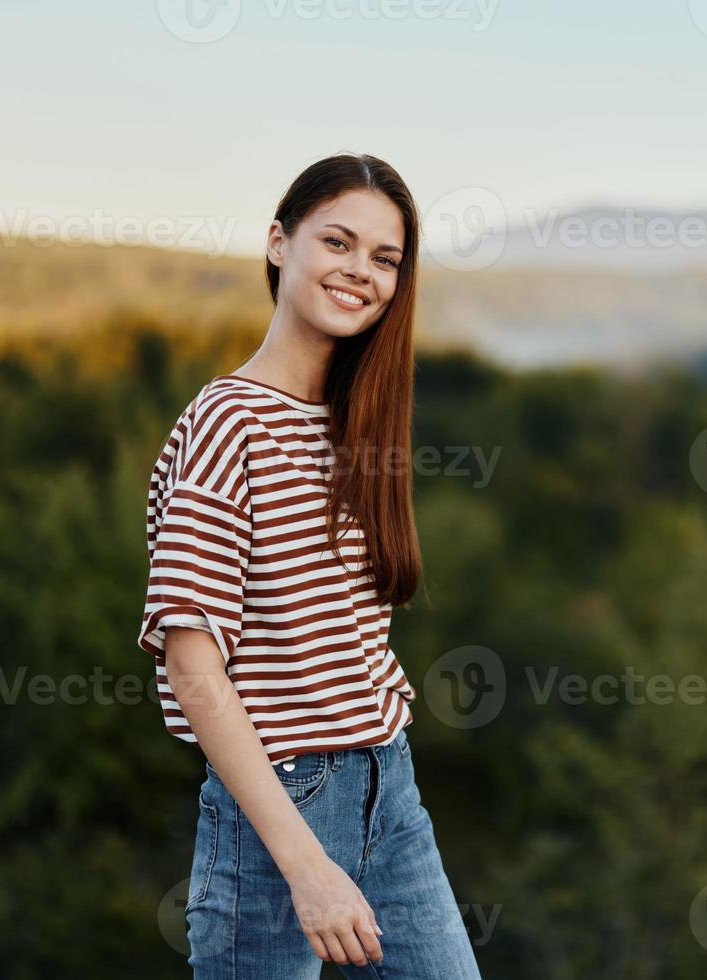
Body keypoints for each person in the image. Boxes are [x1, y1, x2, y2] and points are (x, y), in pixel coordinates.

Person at [137, 152, 482, 978]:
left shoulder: (353, 424)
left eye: (385, 258)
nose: (360, 271)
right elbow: (193, 664)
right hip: (279, 808)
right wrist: (306, 866)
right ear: (277, 244)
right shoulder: (230, 422)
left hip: (388, 789)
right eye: (337, 241)